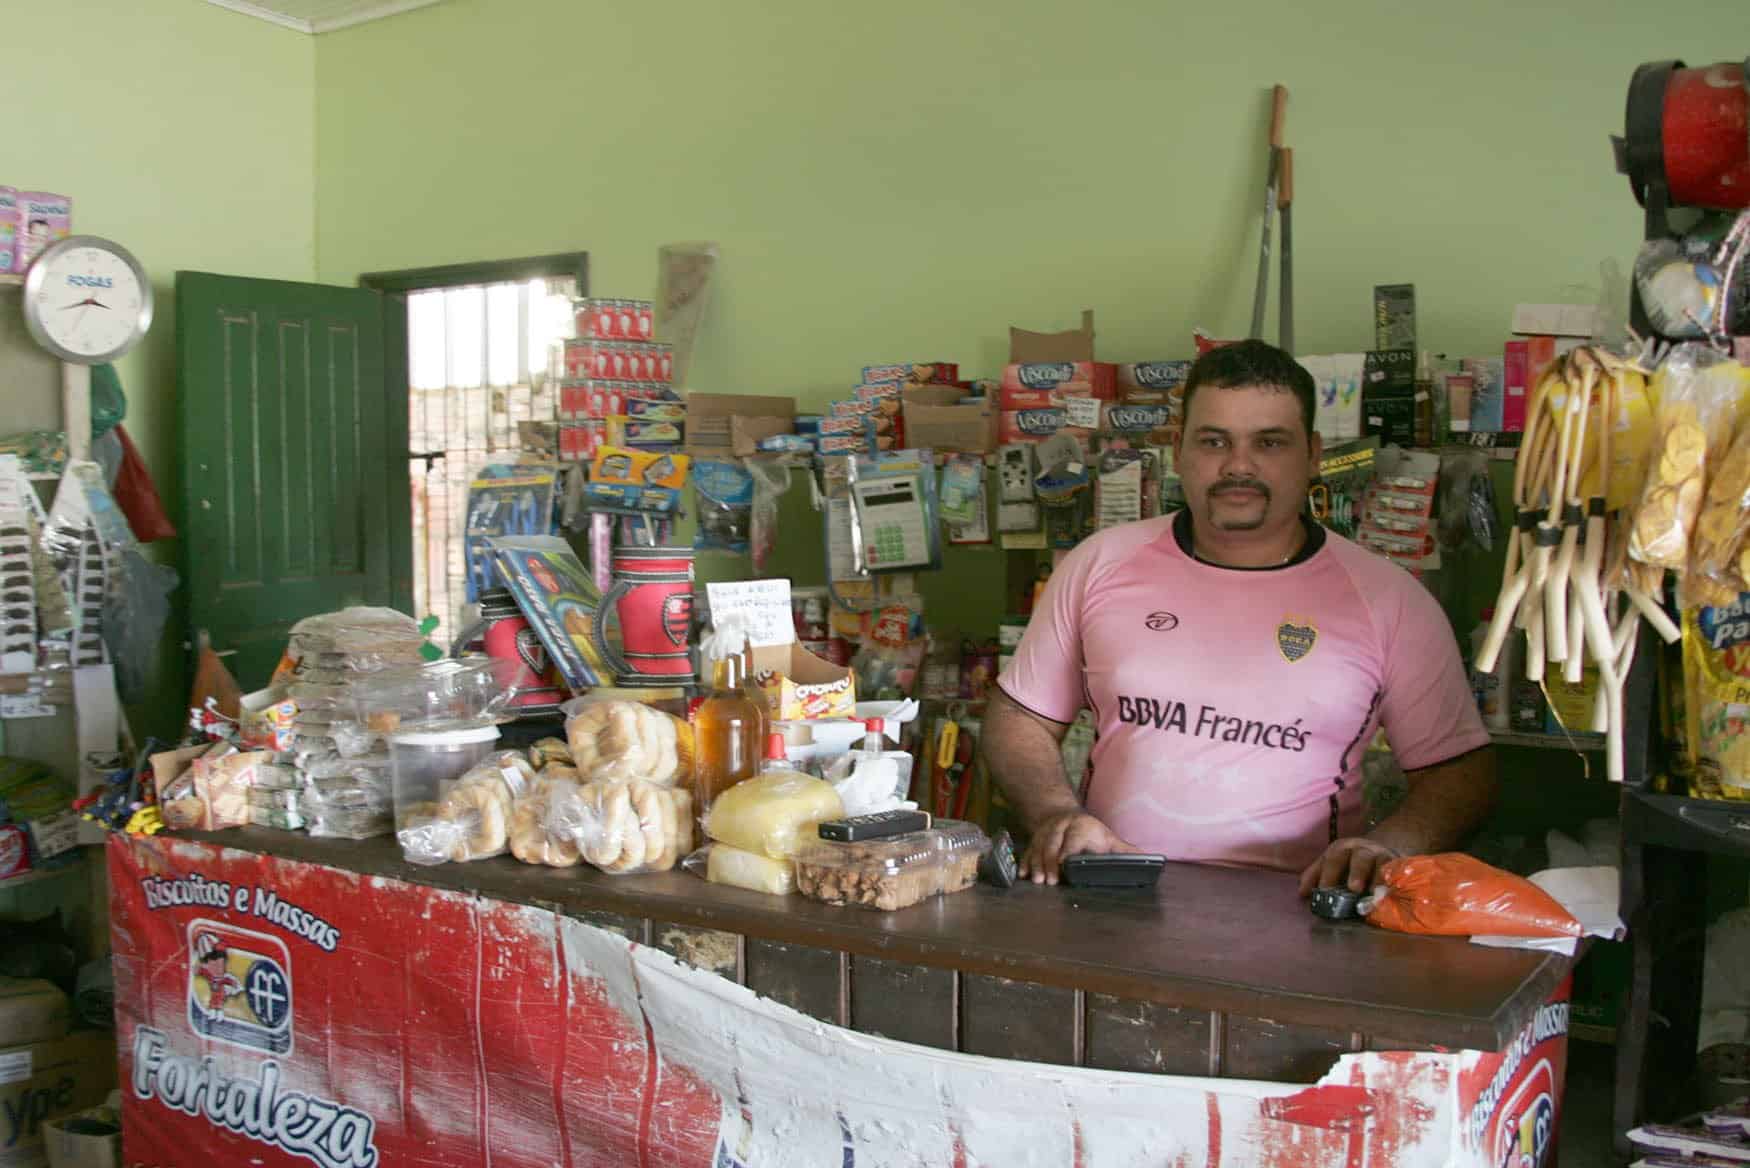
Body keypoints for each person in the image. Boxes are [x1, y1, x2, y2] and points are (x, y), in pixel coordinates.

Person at [986, 339, 1495, 895]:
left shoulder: (1389, 601)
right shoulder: (1101, 563)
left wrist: (1388, 847)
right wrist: (1056, 814)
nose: (1238, 466)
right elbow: (1020, 717)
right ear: (1179, 449)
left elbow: (1459, 771)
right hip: (1110, 897)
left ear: (1313, 453)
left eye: (1269, 443)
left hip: (1297, 914)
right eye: (1214, 441)